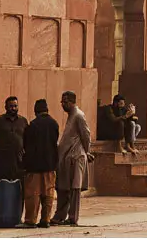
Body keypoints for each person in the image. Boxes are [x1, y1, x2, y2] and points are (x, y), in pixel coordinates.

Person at [54, 90, 94, 226]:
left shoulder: (78, 115)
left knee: (75, 188)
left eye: (65, 102)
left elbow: (86, 135)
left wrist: (87, 152)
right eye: (62, 102)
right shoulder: (71, 115)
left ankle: (72, 217)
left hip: (77, 156)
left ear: (72, 102)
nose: (63, 105)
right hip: (67, 157)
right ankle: (60, 216)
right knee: (64, 187)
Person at [21, 99, 60, 228]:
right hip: (50, 165)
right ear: (47, 109)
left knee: (33, 194)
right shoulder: (54, 124)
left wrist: (25, 163)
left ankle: (31, 220)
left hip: (34, 166)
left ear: (35, 111)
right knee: (48, 194)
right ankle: (46, 220)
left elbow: (27, 145)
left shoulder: (33, 125)